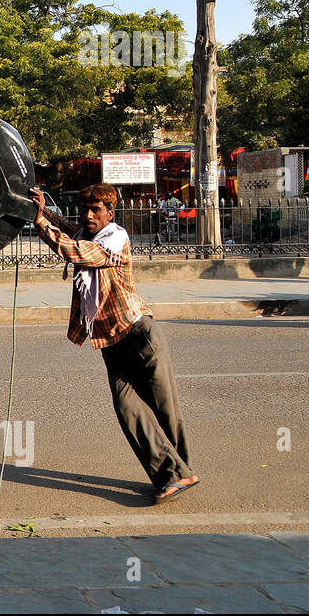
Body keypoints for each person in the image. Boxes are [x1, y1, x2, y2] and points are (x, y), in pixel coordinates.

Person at [32, 183, 199, 503]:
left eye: (97, 210)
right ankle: (175, 474)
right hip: (111, 342)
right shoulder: (89, 232)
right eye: (86, 209)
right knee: (128, 409)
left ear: (110, 213)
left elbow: (76, 251)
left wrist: (41, 223)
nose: (89, 215)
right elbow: (70, 230)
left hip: (138, 335)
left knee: (164, 410)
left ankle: (178, 474)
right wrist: (43, 213)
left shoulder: (114, 238)